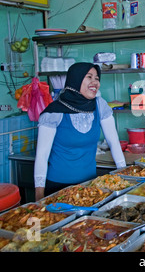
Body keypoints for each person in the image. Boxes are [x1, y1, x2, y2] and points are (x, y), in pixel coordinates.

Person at [34, 62, 126, 201]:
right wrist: (39, 196)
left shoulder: (99, 105)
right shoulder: (54, 112)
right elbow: (41, 156)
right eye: (89, 77)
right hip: (59, 187)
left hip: (90, 185)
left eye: (97, 78)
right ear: (75, 80)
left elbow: (114, 143)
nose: (95, 82)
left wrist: (124, 176)